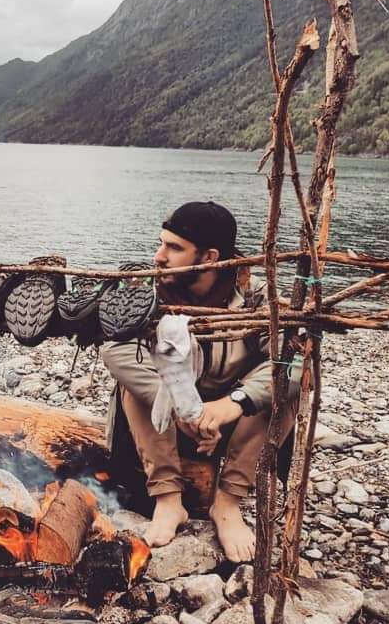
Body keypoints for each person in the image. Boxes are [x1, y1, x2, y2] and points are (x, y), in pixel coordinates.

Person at [102, 201, 295, 563]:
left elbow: (296, 363)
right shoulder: (147, 297)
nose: (159, 256)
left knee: (284, 391)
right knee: (133, 382)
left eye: (174, 248)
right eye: (161, 244)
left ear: (209, 257)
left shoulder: (255, 301)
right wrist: (183, 410)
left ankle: (227, 503)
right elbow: (116, 351)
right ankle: (167, 498)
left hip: (227, 432)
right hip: (168, 429)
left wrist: (229, 406)